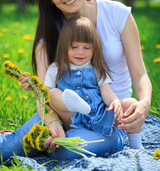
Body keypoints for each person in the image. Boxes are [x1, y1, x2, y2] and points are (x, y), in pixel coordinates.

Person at [0, 0, 152, 162]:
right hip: (63, 116)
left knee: (64, 151)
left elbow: (140, 73)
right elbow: (43, 93)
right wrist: (52, 121)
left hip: (109, 122)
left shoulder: (117, 14)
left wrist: (144, 103)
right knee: (6, 151)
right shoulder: (47, 36)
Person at [44, 15, 142, 149]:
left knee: (131, 104)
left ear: (94, 48)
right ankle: (72, 103)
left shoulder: (96, 68)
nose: (80, 52)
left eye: (87, 47)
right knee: (51, 92)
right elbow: (44, 97)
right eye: (74, 47)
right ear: (64, 46)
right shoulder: (56, 68)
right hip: (71, 118)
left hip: (99, 115)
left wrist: (115, 101)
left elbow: (106, 92)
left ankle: (136, 147)